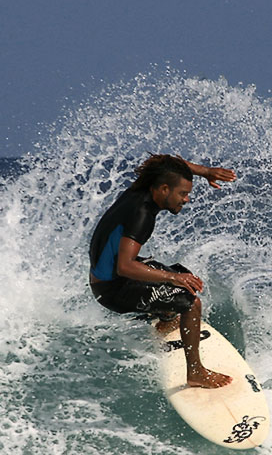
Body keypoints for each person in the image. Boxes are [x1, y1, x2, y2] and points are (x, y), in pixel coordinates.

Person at [88, 154, 237, 389]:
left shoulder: (142, 188)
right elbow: (125, 266)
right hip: (111, 290)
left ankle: (166, 320)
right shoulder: (142, 214)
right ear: (164, 189)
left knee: (181, 274)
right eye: (183, 194)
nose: (186, 200)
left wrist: (204, 171)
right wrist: (173, 278)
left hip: (105, 278)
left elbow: (166, 164)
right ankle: (196, 372)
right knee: (190, 301)